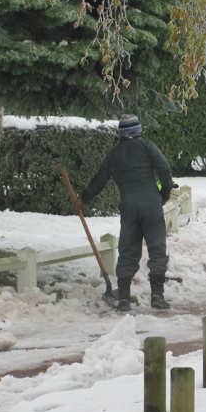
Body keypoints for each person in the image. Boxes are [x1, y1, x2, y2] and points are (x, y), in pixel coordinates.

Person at [72, 114, 175, 311]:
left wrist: (82, 199)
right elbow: (164, 169)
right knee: (156, 249)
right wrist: (165, 193)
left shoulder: (114, 154)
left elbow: (98, 181)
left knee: (128, 249)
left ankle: (125, 298)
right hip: (152, 204)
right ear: (138, 131)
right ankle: (157, 296)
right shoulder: (147, 147)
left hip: (129, 207)